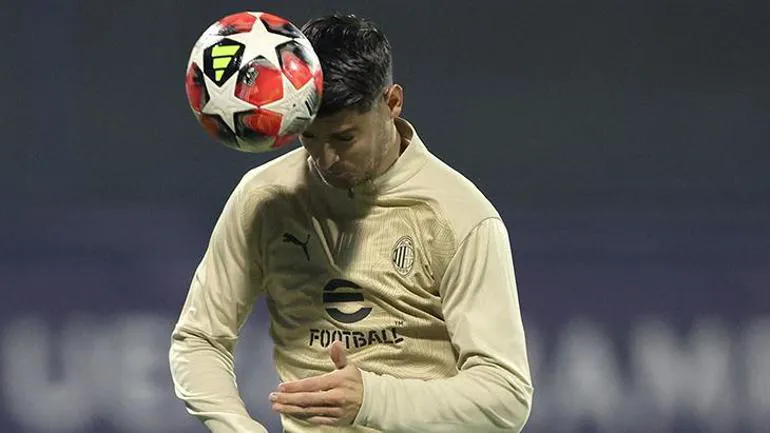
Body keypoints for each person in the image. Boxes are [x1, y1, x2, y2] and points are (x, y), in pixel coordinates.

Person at [169, 13, 533, 433]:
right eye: (309, 137)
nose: (325, 159)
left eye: (344, 138)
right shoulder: (265, 199)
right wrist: (237, 427)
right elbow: (199, 340)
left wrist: (371, 400)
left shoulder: (460, 216)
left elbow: (507, 396)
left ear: (392, 103)